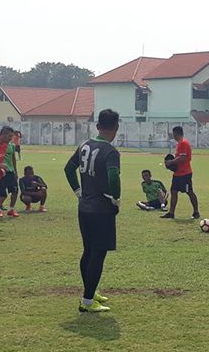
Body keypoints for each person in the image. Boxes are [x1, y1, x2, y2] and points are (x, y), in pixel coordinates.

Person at [64, 109, 122, 313]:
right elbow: (113, 177)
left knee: (88, 251)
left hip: (84, 207)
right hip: (102, 209)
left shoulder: (83, 145)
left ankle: (90, 290)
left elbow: (68, 169)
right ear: (116, 127)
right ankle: (87, 301)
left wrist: (78, 192)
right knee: (98, 254)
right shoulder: (111, 152)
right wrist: (116, 198)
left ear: (98, 126)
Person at [160, 126, 200, 219]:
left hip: (185, 174)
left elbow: (183, 158)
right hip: (178, 174)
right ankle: (171, 213)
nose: (173, 135)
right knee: (173, 191)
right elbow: (178, 157)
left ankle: (196, 212)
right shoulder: (179, 144)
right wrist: (171, 164)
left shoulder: (183, 143)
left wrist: (171, 162)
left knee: (189, 192)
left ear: (177, 133)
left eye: (173, 133)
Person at [0, 139, 19, 218]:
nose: (10, 137)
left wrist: (15, 171)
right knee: (0, 192)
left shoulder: (12, 145)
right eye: (9, 135)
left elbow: (13, 159)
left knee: (15, 190)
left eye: (11, 136)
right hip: (0, 171)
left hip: (10, 171)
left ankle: (11, 209)